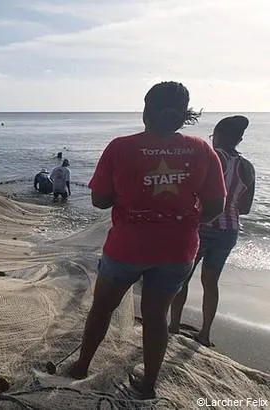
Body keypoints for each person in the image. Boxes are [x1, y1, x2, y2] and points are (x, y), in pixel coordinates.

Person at [69, 82, 226, 400]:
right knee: (156, 316)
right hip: (178, 250)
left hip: (127, 247)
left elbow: (100, 200)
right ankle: (149, 385)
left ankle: (81, 367)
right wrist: (184, 222)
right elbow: (216, 208)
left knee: (102, 308)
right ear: (185, 115)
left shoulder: (121, 147)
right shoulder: (201, 149)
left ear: (145, 110)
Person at [169, 115, 255, 347]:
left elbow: (190, 190)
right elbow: (245, 208)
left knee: (183, 277)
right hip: (230, 230)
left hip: (202, 225)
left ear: (217, 135)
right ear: (239, 139)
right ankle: (205, 334)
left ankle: (174, 326)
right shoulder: (247, 167)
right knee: (211, 282)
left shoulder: (212, 157)